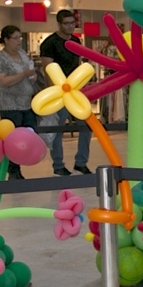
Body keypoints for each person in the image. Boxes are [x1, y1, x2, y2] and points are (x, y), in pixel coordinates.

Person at [39, 10, 91, 175]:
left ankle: (81, 162)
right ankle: (58, 164)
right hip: (58, 92)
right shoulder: (50, 43)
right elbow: (48, 70)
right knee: (58, 128)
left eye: (72, 23)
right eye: (66, 23)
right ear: (59, 24)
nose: (70, 26)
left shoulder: (75, 41)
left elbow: (78, 64)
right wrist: (53, 94)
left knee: (86, 126)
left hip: (75, 90)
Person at [0, 25, 36, 179]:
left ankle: (19, 162)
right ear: (6, 40)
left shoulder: (22, 53)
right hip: (9, 103)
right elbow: (2, 80)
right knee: (12, 136)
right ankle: (13, 169)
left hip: (26, 102)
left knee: (28, 131)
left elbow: (30, 71)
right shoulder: (0, 58)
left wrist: (32, 76)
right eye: (15, 38)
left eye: (20, 38)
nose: (19, 41)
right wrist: (23, 74)